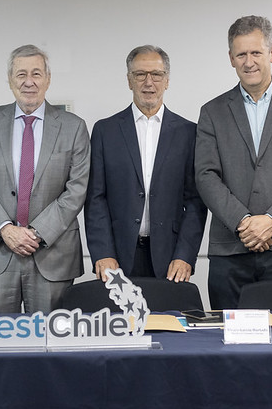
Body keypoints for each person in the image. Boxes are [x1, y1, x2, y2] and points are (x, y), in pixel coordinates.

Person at [195, 16, 272, 309]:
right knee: (228, 334)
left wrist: (271, 221)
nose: (248, 62)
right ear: (231, 58)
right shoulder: (212, 111)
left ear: (271, 53)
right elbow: (205, 175)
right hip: (230, 249)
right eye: (241, 54)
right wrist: (244, 222)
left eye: (256, 52)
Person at [0, 44, 90, 313]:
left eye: (36, 74)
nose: (29, 82)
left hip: (52, 255)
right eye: (21, 74)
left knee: (50, 336)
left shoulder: (74, 127)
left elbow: (76, 189)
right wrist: (6, 230)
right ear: (10, 80)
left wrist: (36, 233)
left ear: (48, 79)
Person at [85, 45, 207, 283]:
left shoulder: (189, 133)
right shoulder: (105, 131)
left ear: (167, 81)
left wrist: (185, 255)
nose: (148, 82)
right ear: (129, 80)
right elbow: (95, 199)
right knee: (120, 310)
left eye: (156, 75)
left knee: (165, 310)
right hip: (117, 257)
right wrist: (103, 252)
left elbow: (195, 202)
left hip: (170, 258)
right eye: (140, 74)